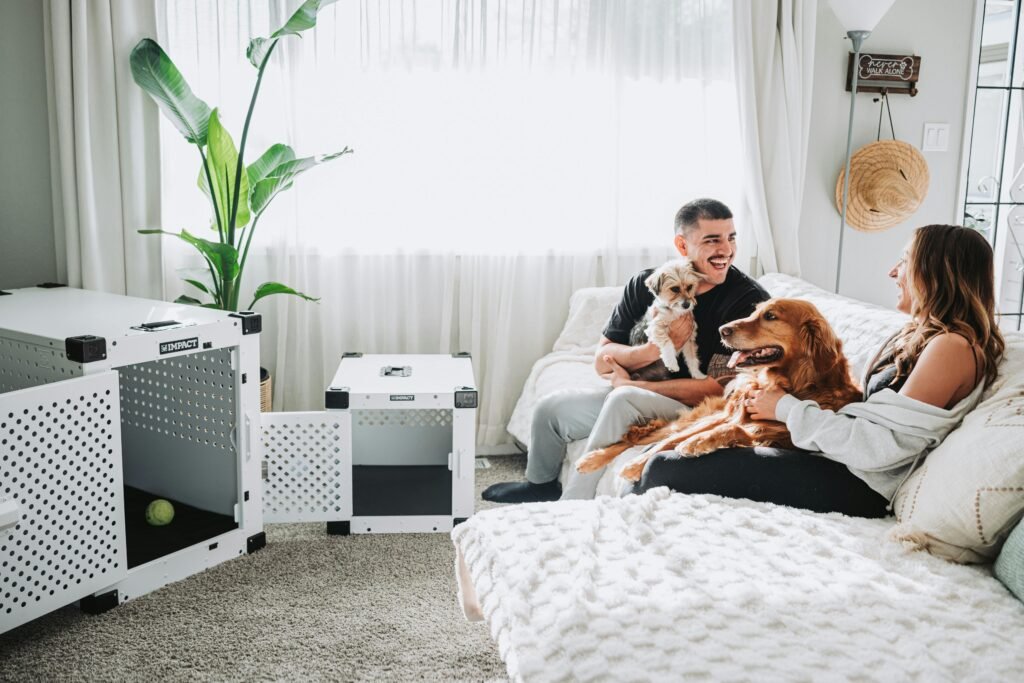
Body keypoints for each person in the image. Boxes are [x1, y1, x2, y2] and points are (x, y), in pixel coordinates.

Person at [632, 224, 1006, 518]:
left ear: (937, 272)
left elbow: (880, 448)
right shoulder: (925, 336)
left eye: (905, 261)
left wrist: (784, 409)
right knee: (663, 461)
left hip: (858, 484)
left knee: (666, 467)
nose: (893, 271)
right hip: (837, 463)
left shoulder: (953, 347)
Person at [482, 198, 770, 503]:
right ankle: (540, 486)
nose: (726, 250)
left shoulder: (747, 302)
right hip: (639, 392)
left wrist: (633, 385)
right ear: (682, 246)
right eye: (713, 240)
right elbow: (602, 361)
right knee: (551, 410)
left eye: (731, 237)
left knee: (622, 398)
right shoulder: (644, 285)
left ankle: (573, 504)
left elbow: (717, 391)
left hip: (693, 409)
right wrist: (653, 350)